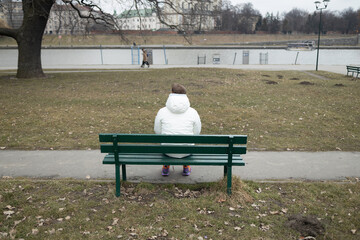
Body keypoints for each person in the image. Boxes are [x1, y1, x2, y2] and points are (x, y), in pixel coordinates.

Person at [154, 83, 201, 176]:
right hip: (187, 150)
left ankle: (166, 166)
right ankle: (186, 166)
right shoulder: (193, 112)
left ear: (171, 94)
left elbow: (157, 131)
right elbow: (197, 132)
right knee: (187, 142)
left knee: (167, 142)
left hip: (167, 150)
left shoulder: (162, 111)